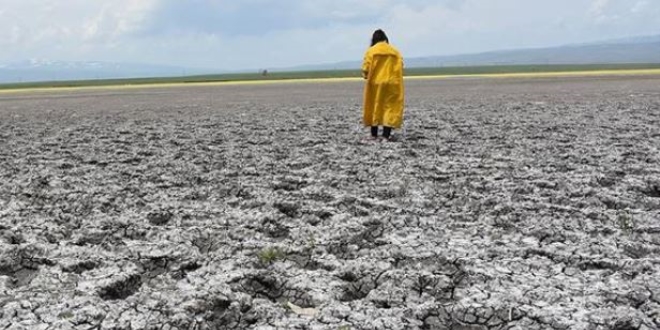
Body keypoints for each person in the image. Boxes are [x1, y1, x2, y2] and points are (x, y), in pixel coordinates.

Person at [361, 29, 405, 141]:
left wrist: (366, 74)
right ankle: (386, 135)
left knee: (374, 106)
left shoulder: (371, 51)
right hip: (392, 83)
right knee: (389, 107)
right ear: (385, 38)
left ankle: (374, 134)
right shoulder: (395, 51)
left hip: (376, 83)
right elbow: (401, 65)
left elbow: (366, 67)